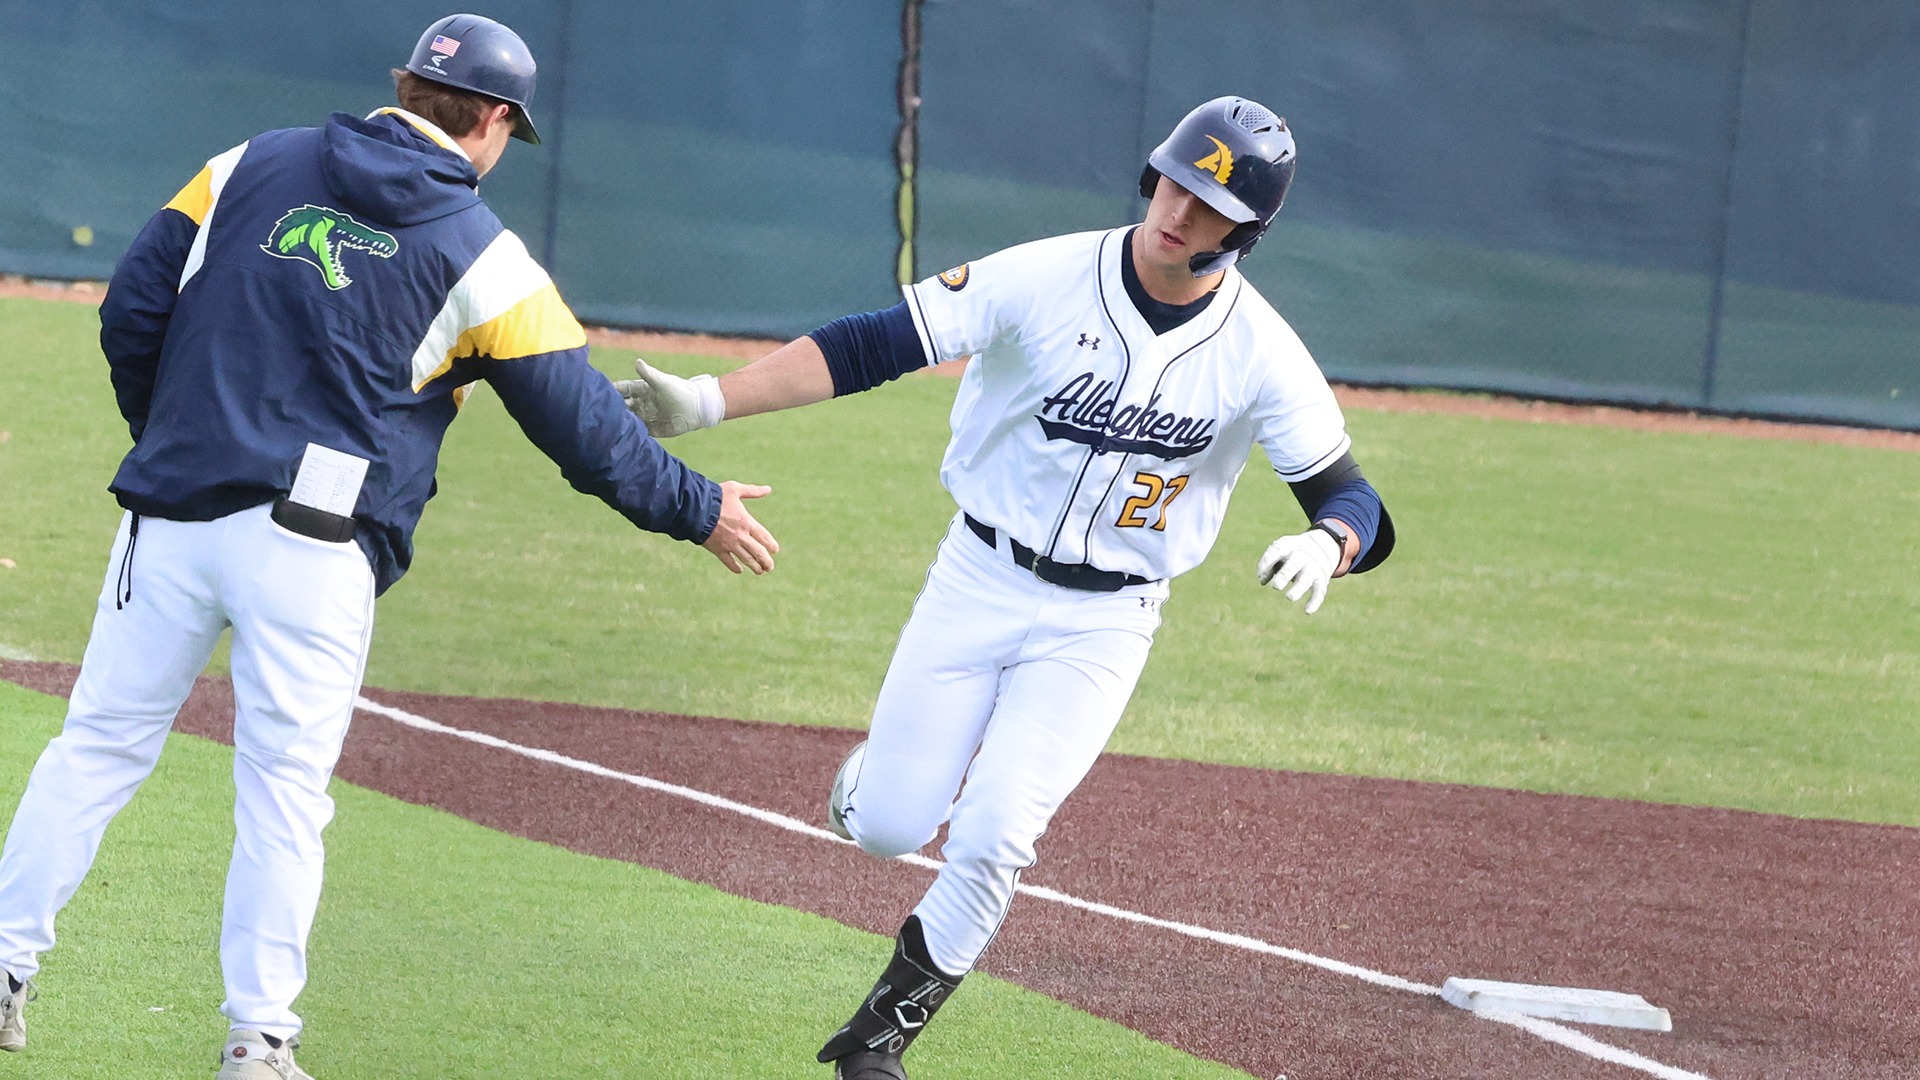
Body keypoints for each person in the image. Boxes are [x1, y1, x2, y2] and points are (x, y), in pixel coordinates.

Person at [0, 13, 778, 1077]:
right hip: (316, 549)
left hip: (173, 515)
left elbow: (132, 308)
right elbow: (585, 431)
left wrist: (180, 438)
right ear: (497, 121)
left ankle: (5, 966)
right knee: (282, 794)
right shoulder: (488, 258)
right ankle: (255, 1043)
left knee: (95, 747)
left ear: (405, 85)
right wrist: (698, 506)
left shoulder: (246, 163)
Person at [616, 96, 1395, 1079]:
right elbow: (875, 343)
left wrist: (1329, 544)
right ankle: (872, 784)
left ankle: (877, 1045)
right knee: (897, 825)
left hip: (1107, 621)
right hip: (976, 577)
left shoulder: (1262, 353)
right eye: (1173, 182)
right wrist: (713, 400)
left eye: (1208, 204)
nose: (1178, 211)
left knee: (996, 832)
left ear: (1247, 234)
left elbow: (1356, 499)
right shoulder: (1049, 273)